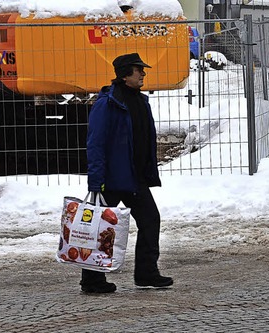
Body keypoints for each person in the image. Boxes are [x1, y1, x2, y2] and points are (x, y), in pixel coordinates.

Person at [81, 53, 173, 293]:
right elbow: (96, 143)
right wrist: (96, 181)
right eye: (138, 70)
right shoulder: (107, 103)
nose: (143, 73)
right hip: (111, 180)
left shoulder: (140, 101)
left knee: (150, 220)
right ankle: (92, 280)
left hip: (134, 178)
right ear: (124, 74)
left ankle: (146, 273)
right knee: (102, 229)